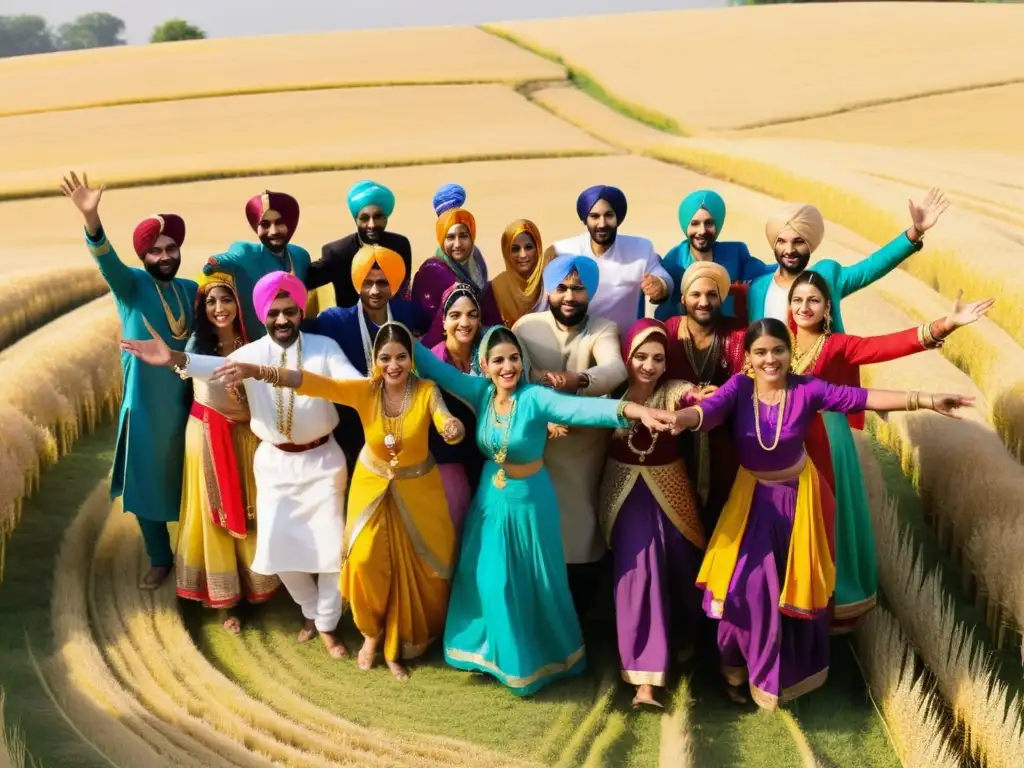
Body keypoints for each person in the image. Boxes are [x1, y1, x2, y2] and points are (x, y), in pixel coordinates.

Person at [669, 318, 973, 709]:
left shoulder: (806, 388)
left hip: (799, 502)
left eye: (777, 350)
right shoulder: (740, 388)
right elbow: (709, 411)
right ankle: (734, 667)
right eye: (760, 352)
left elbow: (860, 398)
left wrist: (928, 400)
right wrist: (682, 418)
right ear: (748, 358)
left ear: (789, 353)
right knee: (744, 588)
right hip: (751, 502)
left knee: (793, 587)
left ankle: (776, 677)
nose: (770, 359)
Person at [412, 327, 678, 696]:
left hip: (530, 501)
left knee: (532, 582)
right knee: (490, 580)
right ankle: (492, 654)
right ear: (485, 366)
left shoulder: (534, 398)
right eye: (499, 360)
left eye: (514, 358)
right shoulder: (481, 393)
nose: (508, 367)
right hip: (491, 500)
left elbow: (583, 407)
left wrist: (634, 410)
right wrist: (388, 327)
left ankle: (536, 660)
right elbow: (435, 369)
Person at [122, 272, 360, 659]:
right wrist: (174, 359)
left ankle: (328, 625)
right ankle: (312, 611)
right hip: (274, 465)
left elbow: (351, 387)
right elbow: (207, 366)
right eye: (275, 313)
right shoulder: (249, 355)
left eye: (290, 312)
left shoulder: (324, 347)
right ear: (264, 316)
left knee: (331, 549)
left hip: (322, 461)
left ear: (301, 311)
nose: (282, 320)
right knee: (276, 551)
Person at [214, 322, 464, 680]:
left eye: (402, 357)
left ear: (412, 359)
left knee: (420, 567)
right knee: (363, 562)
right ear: (375, 361)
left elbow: (445, 420)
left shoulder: (426, 391)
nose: (394, 364)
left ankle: (398, 647)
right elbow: (312, 382)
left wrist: (452, 428)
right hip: (371, 489)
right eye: (385, 357)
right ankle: (371, 636)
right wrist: (257, 371)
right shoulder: (365, 391)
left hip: (417, 492)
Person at [788, 272, 993, 629]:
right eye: (798, 300)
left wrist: (946, 324)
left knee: (827, 515)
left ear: (827, 307)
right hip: (785, 441)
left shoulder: (837, 345)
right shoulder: (777, 341)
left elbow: (884, 346)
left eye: (813, 301)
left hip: (827, 438)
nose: (804, 307)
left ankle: (831, 599)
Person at [61, 170, 197, 590]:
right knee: (147, 481)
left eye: (170, 247)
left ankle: (199, 559)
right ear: (144, 257)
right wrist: (91, 218)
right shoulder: (132, 286)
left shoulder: (193, 289)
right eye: (155, 250)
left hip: (190, 399)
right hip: (145, 405)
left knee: (193, 481)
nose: (164, 255)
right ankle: (160, 558)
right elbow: (105, 259)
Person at [513, 254, 628, 616]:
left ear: (590, 293)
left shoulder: (603, 328)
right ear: (549, 290)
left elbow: (614, 368)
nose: (569, 296)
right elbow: (518, 380)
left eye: (578, 289)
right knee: (539, 538)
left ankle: (581, 628)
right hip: (539, 451)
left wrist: (578, 380)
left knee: (581, 538)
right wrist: (545, 416)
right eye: (561, 287)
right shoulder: (525, 327)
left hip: (584, 452)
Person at [600, 319, 705, 710]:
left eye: (657, 358)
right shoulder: (612, 394)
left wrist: (705, 399)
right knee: (638, 571)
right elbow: (581, 412)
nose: (648, 365)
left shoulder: (673, 390)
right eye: (640, 356)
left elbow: (697, 399)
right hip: (624, 494)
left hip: (672, 493)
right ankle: (645, 680)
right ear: (627, 357)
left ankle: (685, 644)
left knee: (681, 566)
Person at [176, 272, 280, 630]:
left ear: (238, 304)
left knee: (252, 509)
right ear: (202, 309)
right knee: (213, 514)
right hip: (206, 434)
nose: (219, 309)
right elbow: (185, 369)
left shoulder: (252, 345)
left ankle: (257, 585)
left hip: (247, 437)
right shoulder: (195, 347)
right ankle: (226, 602)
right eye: (211, 302)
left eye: (226, 300)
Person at [748, 188, 950, 329]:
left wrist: (915, 231)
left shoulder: (827, 278)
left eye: (798, 242)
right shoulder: (758, 287)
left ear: (811, 244)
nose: (789, 249)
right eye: (782, 241)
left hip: (822, 387)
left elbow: (870, 267)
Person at [304, 244, 424, 469]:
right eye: (368, 282)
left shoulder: (407, 314)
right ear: (358, 283)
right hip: (352, 430)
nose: (375, 290)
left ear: (394, 284)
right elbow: (296, 332)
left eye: (382, 282)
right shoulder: (335, 321)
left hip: (402, 422)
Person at [663, 262, 747, 532]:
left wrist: (722, 396)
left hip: (724, 442)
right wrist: (687, 393)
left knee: (723, 514)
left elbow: (748, 384)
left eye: (712, 295)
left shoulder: (736, 337)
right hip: (675, 439)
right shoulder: (669, 332)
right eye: (696, 294)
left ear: (721, 298)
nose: (703, 302)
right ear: (683, 297)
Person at [544, 185, 672, 330]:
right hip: (576, 343)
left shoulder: (640, 248)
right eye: (595, 216)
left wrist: (660, 285)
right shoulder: (563, 250)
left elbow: (664, 279)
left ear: (618, 218)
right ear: (585, 219)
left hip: (625, 345)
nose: (602, 224)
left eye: (609, 215)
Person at [205, 190, 312, 339]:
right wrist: (215, 263)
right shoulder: (246, 252)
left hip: (296, 344)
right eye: (265, 224)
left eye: (280, 223)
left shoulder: (300, 256)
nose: (273, 231)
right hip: (254, 349)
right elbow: (230, 258)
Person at [428, 283, 490, 539]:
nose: (464, 322)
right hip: (448, 472)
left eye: (471, 315)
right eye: (455, 315)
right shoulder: (430, 362)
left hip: (487, 465)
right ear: (443, 322)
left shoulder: (490, 359)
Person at [656, 189, 772, 320]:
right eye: (695, 224)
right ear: (685, 225)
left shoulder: (735, 253)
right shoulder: (674, 261)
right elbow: (664, 309)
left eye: (709, 223)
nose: (702, 231)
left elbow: (765, 274)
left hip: (730, 333)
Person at [306, 180, 413, 308]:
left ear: (386, 218)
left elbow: (404, 291)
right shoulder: (338, 253)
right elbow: (303, 281)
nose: (372, 224)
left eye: (378, 217)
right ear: (356, 220)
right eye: (364, 218)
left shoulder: (399, 246)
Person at [413, 206, 499, 346]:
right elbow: (425, 322)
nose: (458, 244)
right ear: (441, 240)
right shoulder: (432, 272)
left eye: (464, 236)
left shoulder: (477, 264)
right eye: (450, 237)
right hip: (436, 348)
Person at [487, 219, 551, 328]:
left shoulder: (551, 283)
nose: (522, 255)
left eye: (528, 247)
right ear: (507, 252)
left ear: (538, 249)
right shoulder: (496, 288)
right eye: (515, 249)